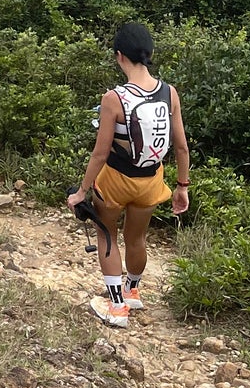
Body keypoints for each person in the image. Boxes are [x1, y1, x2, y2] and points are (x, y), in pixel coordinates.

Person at [67, 21, 190, 327]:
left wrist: (81, 191)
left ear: (119, 55)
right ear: (149, 53)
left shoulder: (114, 99)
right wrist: (182, 187)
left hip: (116, 181)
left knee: (106, 233)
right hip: (152, 181)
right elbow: (182, 147)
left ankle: (117, 307)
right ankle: (132, 290)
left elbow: (99, 153)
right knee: (137, 238)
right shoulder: (169, 92)